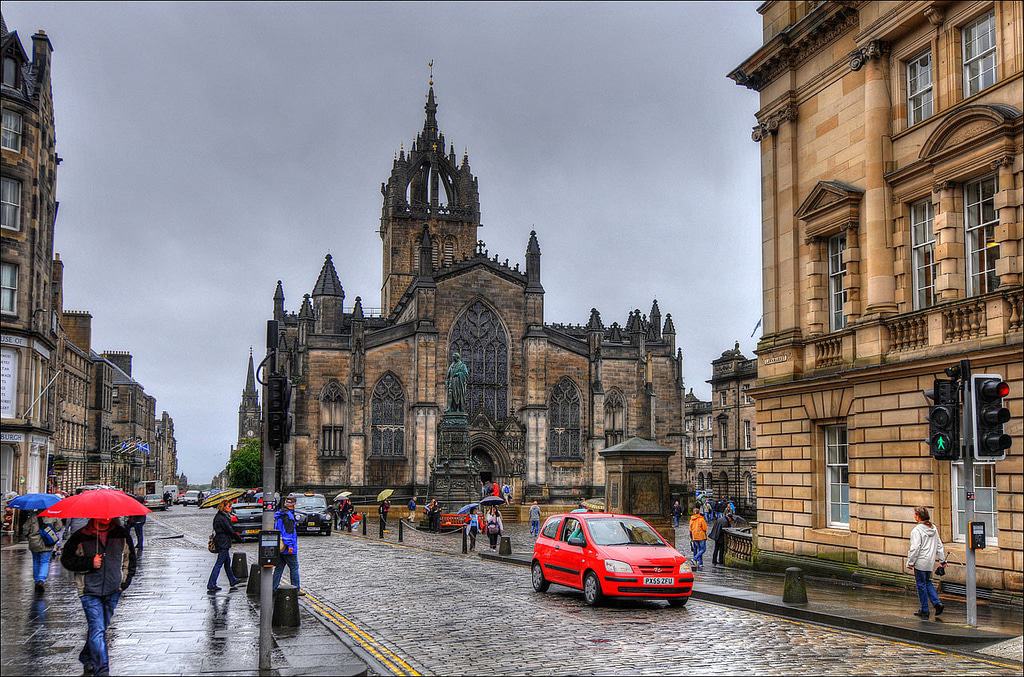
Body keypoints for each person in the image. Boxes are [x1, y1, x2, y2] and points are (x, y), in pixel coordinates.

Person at [61, 517, 137, 677]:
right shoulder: (81, 535)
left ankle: (87, 657)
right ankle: (102, 671)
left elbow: (130, 558)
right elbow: (66, 560)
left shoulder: (121, 534)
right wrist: (90, 562)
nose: (106, 518)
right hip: (89, 591)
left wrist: (124, 582)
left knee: (100, 628)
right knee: (97, 629)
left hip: (113, 590)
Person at [907, 506, 946, 619]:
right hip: (930, 562)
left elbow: (915, 548)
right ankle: (937, 604)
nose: (914, 516)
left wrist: (910, 562)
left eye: (915, 514)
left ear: (918, 516)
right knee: (927, 582)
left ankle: (924, 610)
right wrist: (942, 560)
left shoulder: (917, 530)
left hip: (920, 561)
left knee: (921, 585)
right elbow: (939, 545)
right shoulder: (933, 528)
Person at [23, 509, 63, 593]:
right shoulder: (52, 514)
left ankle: (36, 580)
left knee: (36, 561)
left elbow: (25, 529)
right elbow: (59, 527)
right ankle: (41, 580)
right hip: (47, 541)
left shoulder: (33, 516)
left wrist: (28, 535)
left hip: (34, 542)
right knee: (45, 561)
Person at [207, 499, 241, 593]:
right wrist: (239, 538)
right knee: (219, 564)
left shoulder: (222, 516)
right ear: (224, 507)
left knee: (227, 563)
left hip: (222, 541)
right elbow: (229, 530)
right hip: (223, 542)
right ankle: (211, 584)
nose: (230, 508)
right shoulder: (221, 518)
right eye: (229, 506)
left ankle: (232, 580)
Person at [274, 495, 302, 594]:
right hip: (287, 547)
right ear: (294, 504)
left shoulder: (280, 514)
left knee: (279, 568)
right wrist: (290, 546)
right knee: (294, 568)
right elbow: (288, 532)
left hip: (280, 546)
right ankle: (296, 589)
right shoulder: (288, 516)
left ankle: (273, 588)